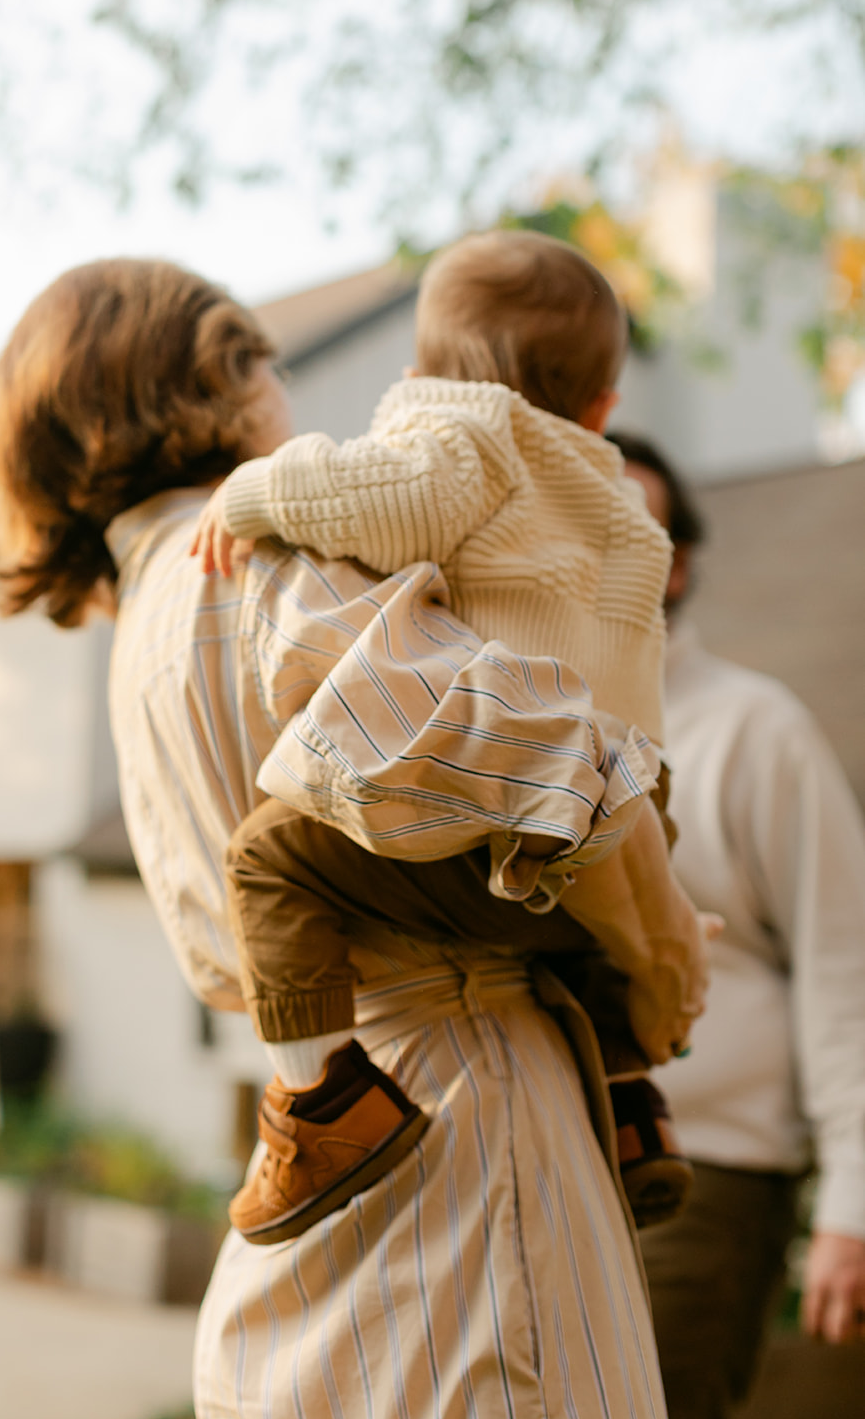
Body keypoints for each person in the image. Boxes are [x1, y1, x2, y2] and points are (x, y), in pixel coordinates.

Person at [0, 255, 679, 1419]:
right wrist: (660, 951)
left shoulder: (140, 622)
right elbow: (521, 750)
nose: (283, 389)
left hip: (319, 1126)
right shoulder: (260, 556)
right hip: (465, 1110)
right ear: (213, 377)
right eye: (264, 358)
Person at [191, 229, 709, 1243]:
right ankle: (633, 1103)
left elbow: (377, 502)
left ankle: (321, 1109)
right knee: (590, 937)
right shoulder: (622, 507)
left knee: (265, 862)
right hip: (626, 821)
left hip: (496, 828)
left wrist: (248, 490)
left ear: (421, 373)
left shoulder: (469, 439)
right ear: (601, 408)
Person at [609, 429, 865, 1419]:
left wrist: (850, 1202)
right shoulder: (514, 719)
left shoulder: (757, 731)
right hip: (536, 1159)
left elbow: (845, 962)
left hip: (706, 1178)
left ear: (675, 565)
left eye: (629, 524)